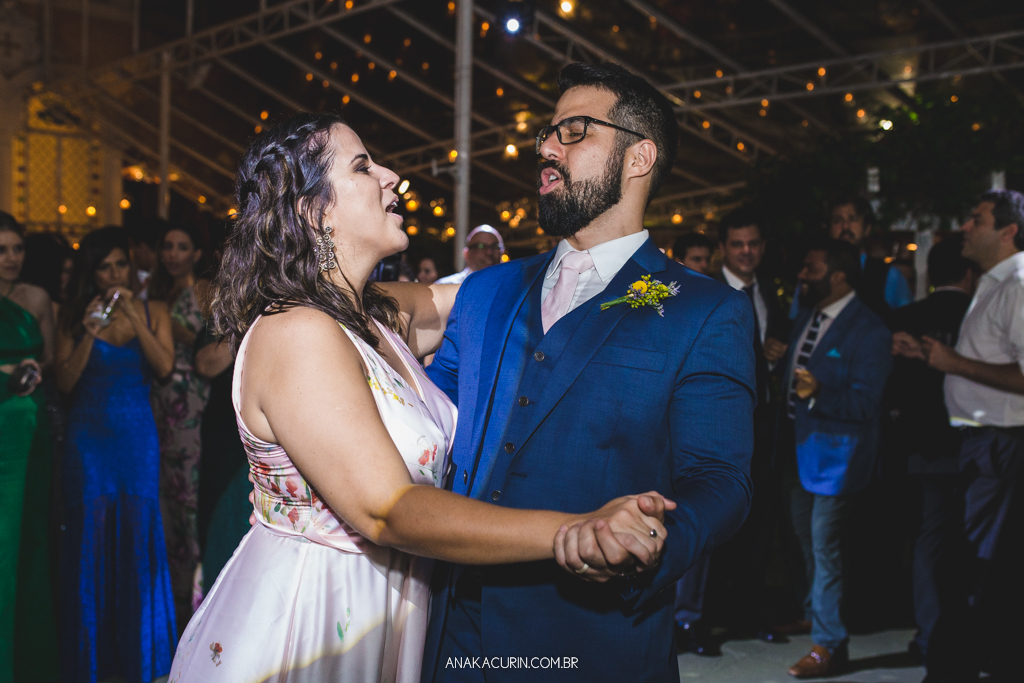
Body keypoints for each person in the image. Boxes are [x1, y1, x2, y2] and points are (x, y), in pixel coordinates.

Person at [167, 112, 670, 682]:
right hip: (313, 624)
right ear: (314, 210)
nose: (391, 176)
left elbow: (472, 295)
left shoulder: (375, 317)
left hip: (389, 611)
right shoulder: (296, 333)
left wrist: (597, 240)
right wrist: (576, 529)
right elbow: (389, 509)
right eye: (362, 166)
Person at [423, 62, 755, 683]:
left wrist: (647, 543)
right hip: (452, 638)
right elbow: (427, 426)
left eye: (575, 131)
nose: (546, 147)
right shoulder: (485, 292)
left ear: (639, 157)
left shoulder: (705, 310)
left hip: (593, 644)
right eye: (550, 132)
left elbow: (720, 479)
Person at [900, 190, 1024, 682]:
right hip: (982, 444)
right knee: (973, 564)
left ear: (1008, 230)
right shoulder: (997, 284)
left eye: (977, 219)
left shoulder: (1016, 284)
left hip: (999, 443)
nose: (965, 227)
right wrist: (930, 358)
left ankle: (963, 666)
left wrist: (953, 363)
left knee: (976, 568)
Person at [55, 226, 177, 682]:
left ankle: (142, 656)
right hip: (89, 442)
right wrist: (89, 333)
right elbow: (64, 383)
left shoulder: (155, 310)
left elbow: (164, 367)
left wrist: (132, 314)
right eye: (103, 267)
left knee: (139, 530)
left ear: (131, 265)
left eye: (119, 264)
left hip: (136, 439)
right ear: (93, 272)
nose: (112, 274)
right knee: (92, 533)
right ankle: (93, 656)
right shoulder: (73, 315)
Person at [780, 238, 892, 678]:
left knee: (826, 551)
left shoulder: (870, 330)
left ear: (838, 276)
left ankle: (830, 644)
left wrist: (821, 393)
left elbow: (867, 405)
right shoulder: (808, 315)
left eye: (811, 268)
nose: (803, 275)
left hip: (837, 462)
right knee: (806, 544)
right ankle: (814, 614)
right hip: (796, 450)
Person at [703, 209, 791, 642]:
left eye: (753, 244)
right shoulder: (706, 292)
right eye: (737, 244)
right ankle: (700, 619)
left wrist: (772, 357)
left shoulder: (771, 293)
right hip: (715, 428)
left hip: (764, 426)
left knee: (758, 524)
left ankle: (747, 615)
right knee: (713, 520)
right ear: (724, 248)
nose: (746, 252)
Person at [889, 236, 973, 664]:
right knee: (974, 541)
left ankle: (930, 633)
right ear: (969, 272)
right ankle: (967, 633)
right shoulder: (979, 317)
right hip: (974, 443)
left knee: (929, 541)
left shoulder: (906, 318)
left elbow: (893, 388)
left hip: (922, 444)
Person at [0, 212, 58, 683]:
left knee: (27, 543)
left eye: (17, 249)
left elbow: (51, 359)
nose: (12, 258)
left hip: (30, 432)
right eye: (2, 250)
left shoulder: (37, 298)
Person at [147, 221, 211, 629]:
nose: (173, 254)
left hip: (191, 402)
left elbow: (202, 340)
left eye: (181, 246)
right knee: (165, 504)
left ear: (196, 253)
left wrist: (158, 324)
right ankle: (169, 605)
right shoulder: (152, 292)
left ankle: (196, 607)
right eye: (167, 246)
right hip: (154, 400)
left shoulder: (204, 292)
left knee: (188, 502)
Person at [434, 225, 504, 284]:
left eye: (495, 246)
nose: (489, 252)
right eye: (481, 246)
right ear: (466, 254)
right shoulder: (446, 286)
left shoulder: (512, 287)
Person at [126, 216, 163, 295]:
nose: (132, 254)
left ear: (143, 247)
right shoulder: (149, 275)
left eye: (132, 248)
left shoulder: (162, 277)